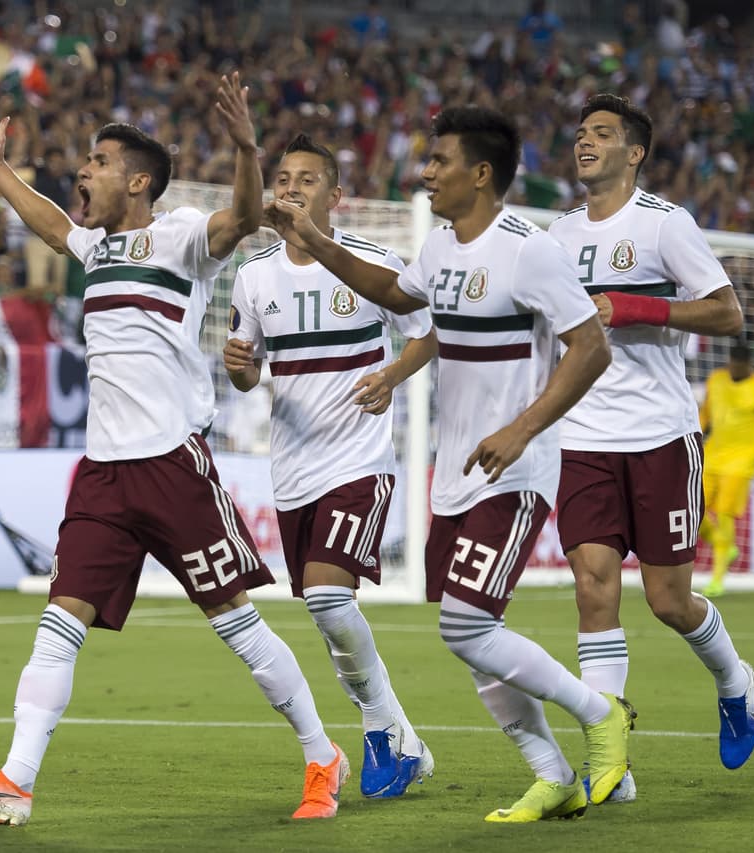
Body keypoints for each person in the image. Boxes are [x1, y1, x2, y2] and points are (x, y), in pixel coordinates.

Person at [0, 76, 349, 826]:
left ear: (138, 180)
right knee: (61, 618)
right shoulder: (96, 248)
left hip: (172, 466)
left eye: (96, 161)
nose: (81, 172)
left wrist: (250, 149)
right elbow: (52, 224)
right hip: (102, 472)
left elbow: (248, 216)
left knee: (236, 623)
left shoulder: (183, 235)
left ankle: (323, 755)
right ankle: (16, 778)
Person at [266, 105, 632, 823]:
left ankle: (602, 712)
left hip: (515, 472)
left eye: (440, 161)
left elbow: (592, 345)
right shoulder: (437, 247)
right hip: (456, 474)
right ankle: (550, 771)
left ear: (482, 173)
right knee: (468, 636)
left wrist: (523, 430)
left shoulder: (529, 250)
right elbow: (394, 295)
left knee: (466, 625)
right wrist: (314, 239)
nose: (426, 171)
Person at [547, 94, 754, 801]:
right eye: (581, 134)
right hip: (581, 437)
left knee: (669, 600)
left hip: (660, 437)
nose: (586, 143)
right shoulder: (555, 233)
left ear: (633, 153)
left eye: (602, 134)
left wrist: (635, 306)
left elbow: (728, 311)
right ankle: (611, 759)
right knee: (592, 587)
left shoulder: (666, 226)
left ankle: (734, 677)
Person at [224, 133, 438, 799]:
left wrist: (393, 374)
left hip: (358, 459)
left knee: (326, 595)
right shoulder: (254, 274)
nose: (291, 187)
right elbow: (245, 367)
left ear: (335, 196)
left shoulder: (371, 263)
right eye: (283, 177)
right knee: (324, 610)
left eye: (307, 179)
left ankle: (379, 727)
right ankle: (404, 739)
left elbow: (426, 335)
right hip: (291, 468)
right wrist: (243, 369)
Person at [697, 342, 754, 597]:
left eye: (738, 364)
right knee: (694, 511)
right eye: (731, 362)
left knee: (724, 515)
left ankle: (718, 579)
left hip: (741, 463)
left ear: (748, 364)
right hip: (712, 458)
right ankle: (725, 547)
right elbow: (705, 416)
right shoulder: (716, 379)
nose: (733, 368)